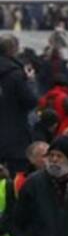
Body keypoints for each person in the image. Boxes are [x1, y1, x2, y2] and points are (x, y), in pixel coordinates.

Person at [0, 35, 38, 178]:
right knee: (17, 181)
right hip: (15, 139)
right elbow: (30, 101)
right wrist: (31, 82)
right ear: (13, 50)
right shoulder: (15, 74)